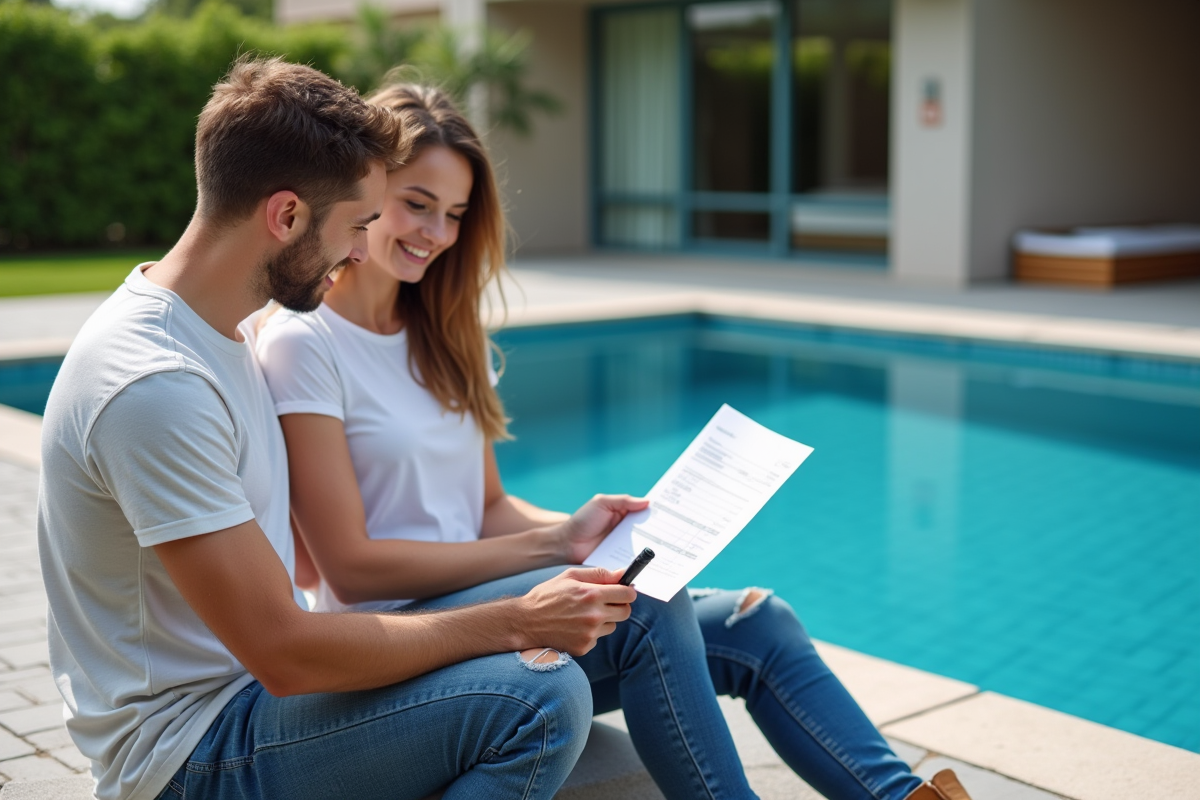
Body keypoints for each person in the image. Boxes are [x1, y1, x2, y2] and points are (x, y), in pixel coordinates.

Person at [255, 83, 974, 800]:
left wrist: (628, 535)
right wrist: (559, 546)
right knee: (648, 606)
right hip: (403, 643)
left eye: (454, 214)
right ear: (370, 191)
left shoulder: (441, 333)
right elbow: (348, 569)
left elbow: (487, 506)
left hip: (484, 599)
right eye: (417, 203)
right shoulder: (305, 344)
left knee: (757, 620)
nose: (436, 234)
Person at [38, 57, 652, 800]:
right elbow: (285, 652)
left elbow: (287, 583)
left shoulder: (218, 333)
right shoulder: (155, 383)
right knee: (540, 700)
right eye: (358, 225)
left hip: (247, 697)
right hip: (186, 752)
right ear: (288, 215)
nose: (363, 252)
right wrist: (517, 620)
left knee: (555, 671)